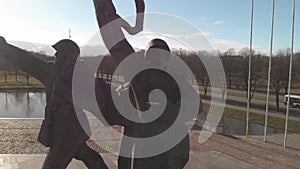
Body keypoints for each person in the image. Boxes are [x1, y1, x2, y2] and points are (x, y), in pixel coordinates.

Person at [93, 1, 199, 169]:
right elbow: (116, 44)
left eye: (160, 53)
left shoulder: (176, 81)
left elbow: (194, 106)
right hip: (141, 145)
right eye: (153, 53)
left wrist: (168, 109)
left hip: (166, 148)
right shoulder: (138, 78)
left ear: (166, 57)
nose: (156, 57)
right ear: (147, 56)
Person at [0, 37, 108, 169]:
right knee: (89, 157)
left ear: (69, 56)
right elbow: (28, 61)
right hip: (64, 130)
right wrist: (5, 48)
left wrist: (73, 94)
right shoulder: (51, 71)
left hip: (67, 133)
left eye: (59, 52)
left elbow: (98, 101)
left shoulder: (81, 76)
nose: (55, 55)